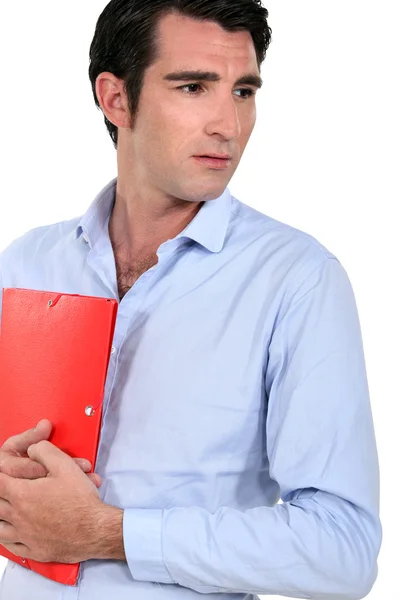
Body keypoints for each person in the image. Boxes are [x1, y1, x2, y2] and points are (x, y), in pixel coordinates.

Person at [0, 0, 382, 598]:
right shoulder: (27, 264)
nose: (228, 124)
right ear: (115, 98)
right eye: (194, 87)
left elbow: (343, 549)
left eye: (244, 91)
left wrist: (108, 533)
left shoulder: (296, 280)